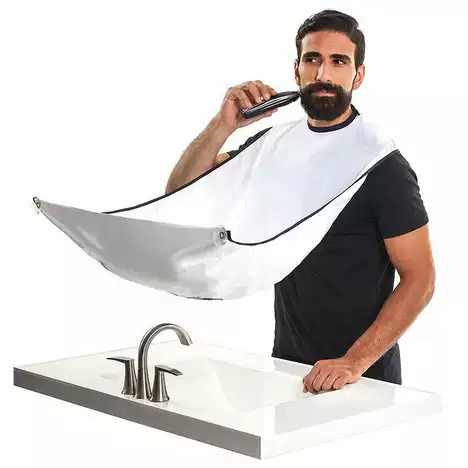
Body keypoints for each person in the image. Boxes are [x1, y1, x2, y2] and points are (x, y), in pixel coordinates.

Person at [165, 10, 435, 392]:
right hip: (287, 370)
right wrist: (224, 124)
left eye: (339, 61)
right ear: (297, 71)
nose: (323, 74)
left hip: (363, 382)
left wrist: (353, 362)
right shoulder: (274, 147)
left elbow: (420, 279)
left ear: (358, 75)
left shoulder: (381, 165)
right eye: (312, 59)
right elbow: (181, 189)